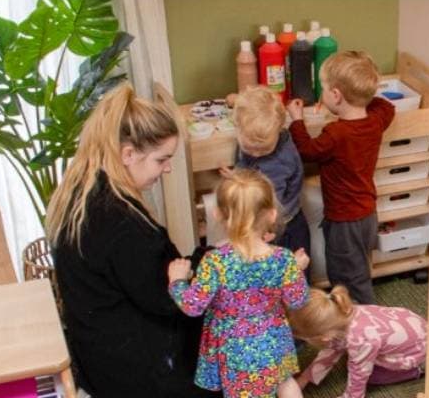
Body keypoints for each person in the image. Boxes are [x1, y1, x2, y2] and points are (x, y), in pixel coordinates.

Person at [46, 85, 208, 398]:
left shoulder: (81, 192)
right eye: (161, 160)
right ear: (129, 154)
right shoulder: (121, 224)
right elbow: (168, 300)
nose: (167, 168)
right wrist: (210, 259)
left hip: (98, 354)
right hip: (132, 370)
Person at [168, 169, 311, 398]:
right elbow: (298, 300)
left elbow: (193, 306)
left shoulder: (215, 261)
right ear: (272, 215)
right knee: (285, 382)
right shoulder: (284, 258)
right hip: (275, 340)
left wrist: (177, 282)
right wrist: (296, 269)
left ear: (217, 214)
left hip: (235, 349)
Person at [287, 51, 395, 304]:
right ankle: (354, 315)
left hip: (344, 221)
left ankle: (364, 324)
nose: (322, 94)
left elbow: (307, 151)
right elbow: (386, 106)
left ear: (336, 95)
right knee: (358, 268)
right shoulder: (376, 121)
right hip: (367, 215)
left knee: (348, 278)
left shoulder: (336, 133)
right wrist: (363, 96)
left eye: (324, 89)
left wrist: (297, 121)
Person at [222, 85, 311, 257]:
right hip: (267, 219)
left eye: (263, 150)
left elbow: (266, 201)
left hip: (279, 225)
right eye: (249, 148)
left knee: (289, 275)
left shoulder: (279, 162)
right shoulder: (254, 133)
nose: (255, 154)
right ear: (237, 128)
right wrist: (236, 177)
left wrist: (266, 228)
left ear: (279, 131)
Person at [290, 286, 428, 398]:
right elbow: (332, 349)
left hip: (421, 353)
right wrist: (305, 378)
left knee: (371, 375)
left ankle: (416, 371)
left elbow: (359, 376)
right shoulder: (343, 311)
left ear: (324, 337)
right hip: (416, 327)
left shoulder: (360, 340)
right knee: (353, 357)